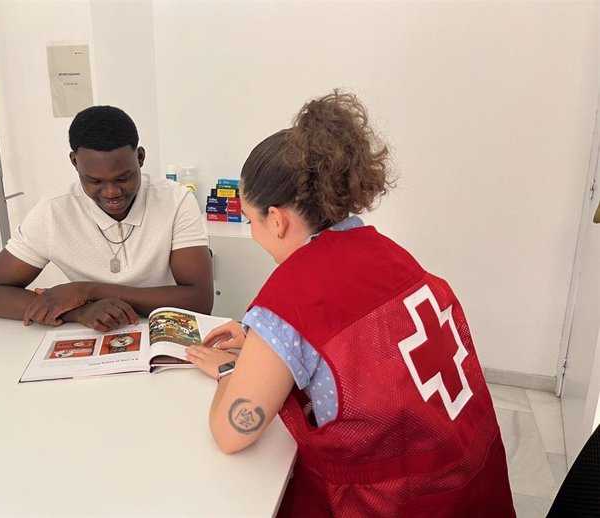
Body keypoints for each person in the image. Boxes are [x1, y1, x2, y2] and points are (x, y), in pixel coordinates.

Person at [186, 92, 515, 517]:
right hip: (472, 488)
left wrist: (234, 369)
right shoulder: (388, 253)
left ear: (278, 219)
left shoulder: (288, 298)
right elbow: (361, 343)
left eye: (251, 221)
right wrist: (262, 344)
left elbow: (233, 431)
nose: (254, 234)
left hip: (390, 504)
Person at [0, 105, 213, 332]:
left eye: (123, 178)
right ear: (74, 162)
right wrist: (80, 312)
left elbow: (199, 300)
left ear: (140, 158)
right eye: (95, 181)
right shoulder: (54, 211)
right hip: (93, 337)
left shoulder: (176, 200)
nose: (111, 192)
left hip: (165, 333)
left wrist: (87, 291)